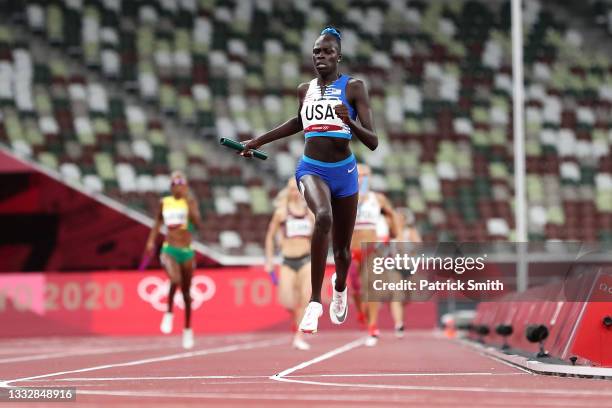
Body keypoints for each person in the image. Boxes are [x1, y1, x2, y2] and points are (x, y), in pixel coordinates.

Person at [241, 26, 378, 333]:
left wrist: (350, 122)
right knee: (323, 217)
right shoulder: (305, 89)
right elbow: (298, 121)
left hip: (344, 173)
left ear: (339, 56)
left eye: (327, 51)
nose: (321, 56)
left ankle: (339, 286)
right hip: (311, 168)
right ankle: (315, 302)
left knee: (342, 253)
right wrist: (258, 141)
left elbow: (373, 141)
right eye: (316, 52)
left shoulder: (354, 88)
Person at [144, 171, 202, 349]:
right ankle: (168, 312)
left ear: (185, 186)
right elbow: (157, 223)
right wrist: (151, 241)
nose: (178, 186)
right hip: (169, 248)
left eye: (181, 183)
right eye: (174, 183)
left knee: (186, 294)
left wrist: (189, 203)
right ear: (171, 187)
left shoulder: (190, 201)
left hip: (187, 251)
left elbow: (198, 224)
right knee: (174, 279)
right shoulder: (165, 202)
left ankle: (187, 329)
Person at [348, 164, 401, 346]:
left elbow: (392, 215)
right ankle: (361, 311)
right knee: (355, 288)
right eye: (359, 175)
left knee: (372, 287)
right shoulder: (345, 196)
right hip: (351, 250)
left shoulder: (378, 199)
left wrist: (395, 232)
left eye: (366, 176)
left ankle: (373, 326)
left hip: (371, 248)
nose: (362, 179)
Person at [265, 178, 315, 350]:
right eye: (291, 189)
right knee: (287, 301)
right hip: (287, 260)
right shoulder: (281, 212)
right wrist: (269, 260)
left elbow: (319, 236)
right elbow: (270, 237)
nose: (294, 192)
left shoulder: (310, 213)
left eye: (297, 189)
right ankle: (297, 322)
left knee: (304, 298)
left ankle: (299, 336)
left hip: (306, 260)